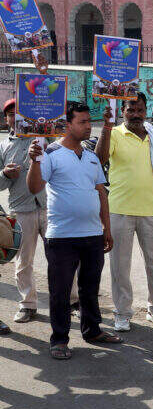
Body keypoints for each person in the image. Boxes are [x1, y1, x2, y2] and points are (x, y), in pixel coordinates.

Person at [26, 101, 121, 359]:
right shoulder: (51, 154)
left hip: (92, 235)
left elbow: (101, 193)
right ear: (68, 125)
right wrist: (35, 160)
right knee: (61, 290)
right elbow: (34, 187)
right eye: (83, 122)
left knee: (90, 288)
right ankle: (59, 339)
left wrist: (107, 228)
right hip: (61, 237)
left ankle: (92, 331)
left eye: (90, 121)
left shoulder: (91, 157)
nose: (89, 126)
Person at [93, 93, 153, 331]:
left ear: (146, 111)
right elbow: (99, 160)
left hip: (150, 211)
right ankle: (122, 313)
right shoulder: (115, 134)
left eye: (140, 110)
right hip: (119, 210)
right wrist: (106, 128)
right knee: (120, 266)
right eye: (131, 110)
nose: (136, 114)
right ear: (123, 111)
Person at [1, 97, 50, 326]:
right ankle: (28, 304)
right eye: (10, 114)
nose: (14, 117)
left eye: (18, 113)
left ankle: (72, 301)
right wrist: (4, 175)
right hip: (21, 209)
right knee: (24, 261)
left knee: (61, 257)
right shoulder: (3, 146)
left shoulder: (42, 137)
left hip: (49, 205)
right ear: (6, 119)